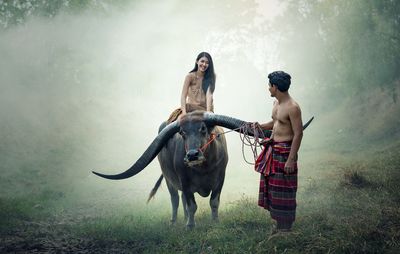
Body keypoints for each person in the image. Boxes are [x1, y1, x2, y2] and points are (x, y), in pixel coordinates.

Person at [253, 71, 303, 234]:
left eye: (269, 86)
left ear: (275, 87)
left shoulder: (293, 107)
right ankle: (279, 225)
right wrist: (258, 126)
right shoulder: (276, 103)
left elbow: (298, 133)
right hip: (273, 151)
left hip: (285, 152)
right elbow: (275, 123)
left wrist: (291, 159)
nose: (268, 89)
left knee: (285, 190)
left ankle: (286, 230)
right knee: (274, 189)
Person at [167, 52, 216, 123]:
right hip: (190, 109)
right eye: (202, 61)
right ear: (197, 61)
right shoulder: (190, 76)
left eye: (207, 63)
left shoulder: (211, 77)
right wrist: (184, 113)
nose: (204, 64)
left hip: (205, 110)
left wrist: (208, 113)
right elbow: (183, 96)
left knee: (214, 130)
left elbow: (209, 95)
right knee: (178, 122)